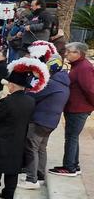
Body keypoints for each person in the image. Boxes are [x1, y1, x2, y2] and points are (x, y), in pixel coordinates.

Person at [0, 58, 40, 199]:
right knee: (13, 168)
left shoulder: (7, 102)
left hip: (2, 138)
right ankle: (9, 193)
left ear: (12, 85)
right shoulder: (30, 101)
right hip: (19, 138)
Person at [19, 57, 69, 188]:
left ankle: (31, 179)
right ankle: (40, 175)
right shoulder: (64, 83)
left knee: (31, 148)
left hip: (39, 121)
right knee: (41, 148)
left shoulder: (51, 83)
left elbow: (33, 95)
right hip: (51, 122)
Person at [49, 42, 94, 177]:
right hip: (74, 107)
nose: (66, 54)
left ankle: (69, 167)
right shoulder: (78, 65)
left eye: (69, 52)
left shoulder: (84, 68)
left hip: (78, 108)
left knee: (71, 137)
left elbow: (90, 89)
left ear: (78, 54)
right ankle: (74, 164)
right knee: (73, 137)